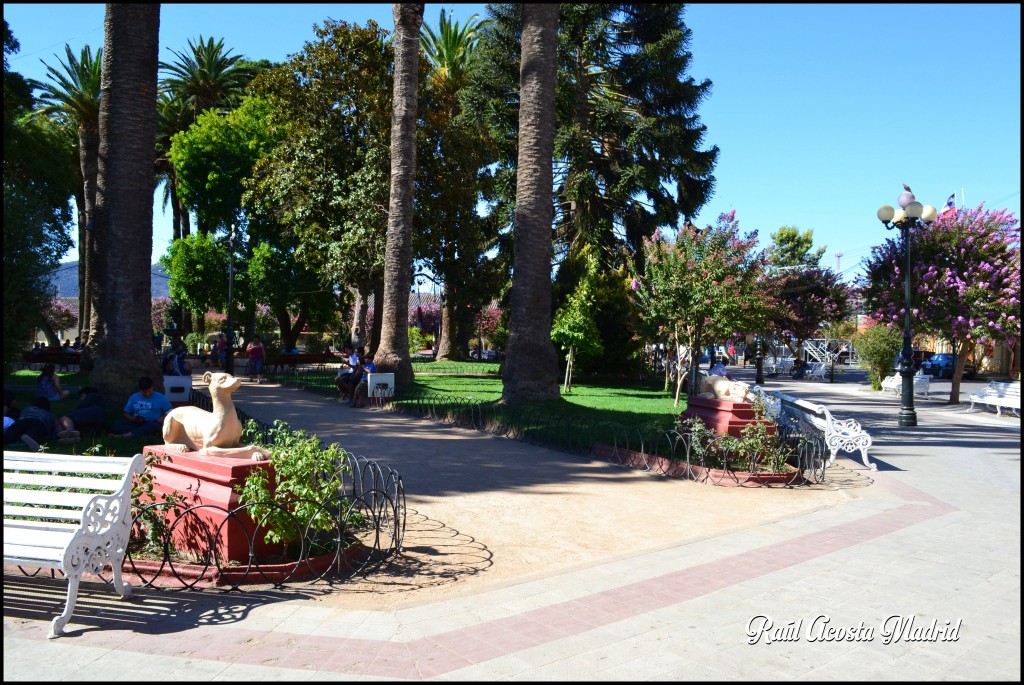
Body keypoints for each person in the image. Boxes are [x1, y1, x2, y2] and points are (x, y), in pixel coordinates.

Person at [5, 396, 75, 450]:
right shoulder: (51, 414)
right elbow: (57, 427)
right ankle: (29, 436)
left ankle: (7, 439)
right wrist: (60, 433)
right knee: (34, 432)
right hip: (39, 422)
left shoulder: (27, 409)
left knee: (12, 433)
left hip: (22, 420)